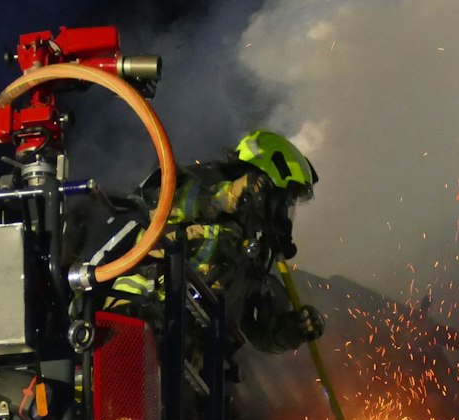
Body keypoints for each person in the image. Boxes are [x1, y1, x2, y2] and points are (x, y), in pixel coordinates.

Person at [105, 129, 326, 353]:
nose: (284, 211)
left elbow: (261, 333)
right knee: (123, 357)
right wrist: (226, 196)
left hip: (182, 352)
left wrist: (292, 331)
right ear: (267, 183)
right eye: (286, 200)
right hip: (138, 305)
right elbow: (161, 205)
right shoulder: (204, 180)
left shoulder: (253, 261)